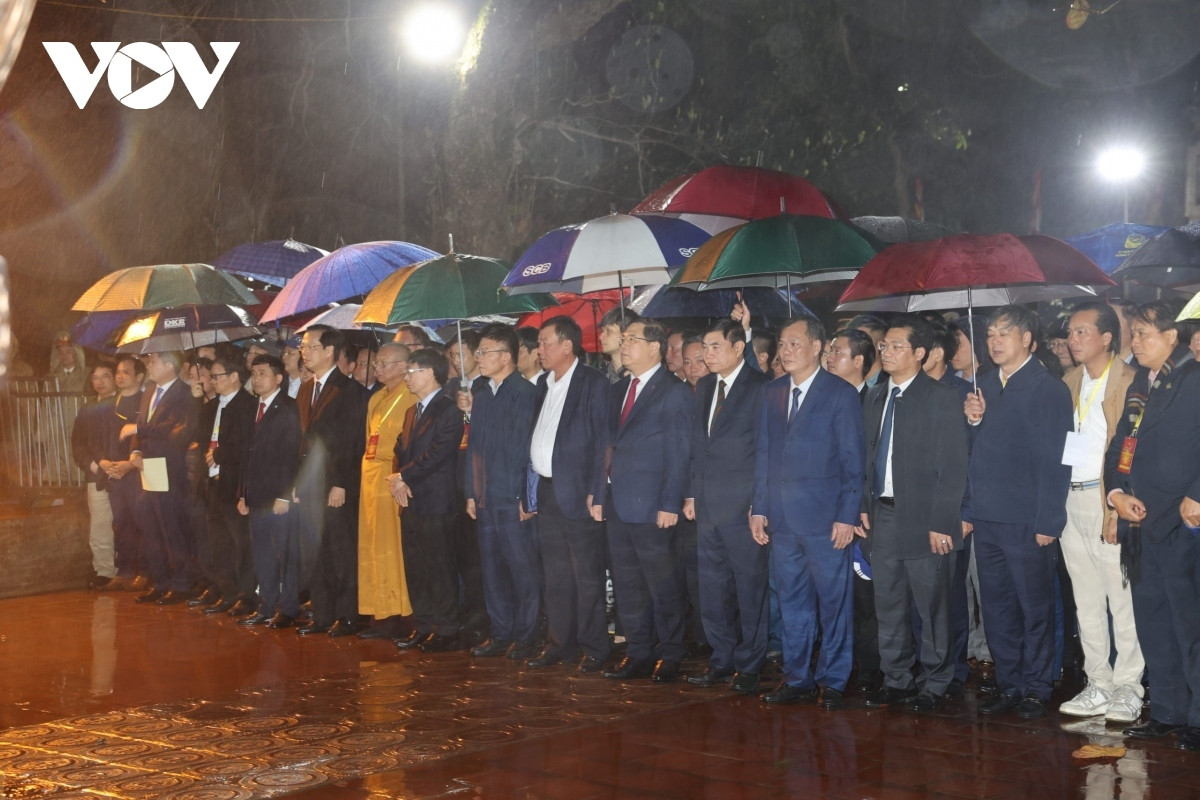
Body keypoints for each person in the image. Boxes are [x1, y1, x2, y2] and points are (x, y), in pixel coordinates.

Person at [964, 305, 1073, 719]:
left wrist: (1049, 520)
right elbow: (972, 455)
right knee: (996, 608)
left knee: (1035, 608)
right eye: (991, 334)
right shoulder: (983, 385)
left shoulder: (1048, 389)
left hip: (1028, 519)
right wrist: (973, 421)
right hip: (988, 516)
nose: (994, 341)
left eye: (1004, 333)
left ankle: (1036, 687)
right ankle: (1009, 684)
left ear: (1027, 339)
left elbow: (1058, 460)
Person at [751, 315, 865, 709]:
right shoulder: (772, 391)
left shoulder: (839, 393)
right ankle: (797, 677)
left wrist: (847, 515)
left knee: (834, 603)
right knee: (792, 603)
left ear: (817, 347)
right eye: (782, 344)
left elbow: (853, 461)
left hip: (826, 519)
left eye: (794, 343)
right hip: (782, 520)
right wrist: (759, 507)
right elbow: (764, 453)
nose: (786, 351)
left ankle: (833, 679)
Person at [1104, 300, 1200, 750]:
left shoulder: (1195, 378)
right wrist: (1116, 494)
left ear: (1171, 337)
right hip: (1140, 523)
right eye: (1134, 333)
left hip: (1182, 520)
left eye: (1144, 333)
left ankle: (1197, 717)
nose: (1135, 341)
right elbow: (1120, 445)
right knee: (1153, 622)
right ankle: (1167, 710)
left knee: (1190, 625)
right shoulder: (1141, 383)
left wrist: (1197, 492)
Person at [860, 315, 968, 712]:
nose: (886, 352)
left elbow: (953, 467)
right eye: (884, 346)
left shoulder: (941, 398)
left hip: (926, 519)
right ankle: (897, 678)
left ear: (919, 353)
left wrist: (942, 523)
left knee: (932, 603)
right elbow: (866, 457)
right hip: (883, 513)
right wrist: (863, 506)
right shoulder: (875, 396)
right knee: (888, 601)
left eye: (896, 346)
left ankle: (936, 681)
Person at [593, 318, 693, 682]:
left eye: (632, 339)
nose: (624, 344)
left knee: (662, 585)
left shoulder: (673, 390)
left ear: (655, 347)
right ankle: (638, 652)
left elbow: (680, 453)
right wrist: (599, 493)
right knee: (628, 583)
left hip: (654, 506)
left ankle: (671, 655)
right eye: (623, 339)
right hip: (618, 502)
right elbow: (606, 446)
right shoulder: (619, 389)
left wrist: (670, 502)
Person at [1057, 302, 1143, 723]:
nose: (1072, 340)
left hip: (1106, 497)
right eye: (1070, 332)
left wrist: (1115, 505)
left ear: (1107, 337)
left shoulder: (1129, 380)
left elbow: (1131, 449)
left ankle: (1129, 686)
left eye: (1082, 332)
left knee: (1120, 597)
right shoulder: (1069, 380)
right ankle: (1098, 683)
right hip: (1070, 498)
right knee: (1085, 597)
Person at [683, 320, 769, 694]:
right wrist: (691, 493)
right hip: (707, 505)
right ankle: (722, 659)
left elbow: (766, 451)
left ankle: (750, 664)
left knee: (749, 591)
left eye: (715, 346)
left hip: (744, 509)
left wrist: (759, 504)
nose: (707, 354)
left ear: (738, 347)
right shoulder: (705, 386)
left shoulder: (761, 387)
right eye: (704, 346)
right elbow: (697, 445)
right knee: (713, 588)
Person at [525, 317, 611, 672]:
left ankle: (595, 647)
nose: (539, 350)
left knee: (586, 574)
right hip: (547, 492)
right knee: (556, 575)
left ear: (567, 345)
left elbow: (603, 442)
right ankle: (561, 644)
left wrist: (596, 491)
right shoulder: (543, 384)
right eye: (538, 343)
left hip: (579, 492)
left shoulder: (593, 382)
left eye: (545, 342)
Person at [464, 324, 542, 660]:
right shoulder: (481, 394)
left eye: (485, 352)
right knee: (492, 569)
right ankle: (500, 632)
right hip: (485, 496)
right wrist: (471, 491)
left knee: (522, 569)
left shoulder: (525, 393)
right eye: (478, 352)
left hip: (513, 497)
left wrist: (526, 496)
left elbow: (527, 450)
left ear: (506, 357)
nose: (479, 358)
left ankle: (526, 635)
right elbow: (474, 448)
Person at [389, 348, 466, 652]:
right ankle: (423, 625)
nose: (406, 377)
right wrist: (399, 479)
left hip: (436, 502)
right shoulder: (412, 411)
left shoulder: (449, 410)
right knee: (416, 567)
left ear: (430, 372)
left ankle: (446, 629)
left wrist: (404, 476)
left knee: (439, 567)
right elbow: (400, 448)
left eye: (411, 371)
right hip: (410, 501)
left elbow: (439, 453)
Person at [295, 325, 369, 636]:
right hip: (309, 484)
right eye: (302, 347)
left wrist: (342, 484)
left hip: (336, 484)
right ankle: (322, 613)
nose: (304, 352)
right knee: (315, 551)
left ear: (329, 351)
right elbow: (302, 441)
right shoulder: (305, 389)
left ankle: (348, 615)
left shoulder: (350, 391)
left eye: (310, 346)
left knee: (341, 551)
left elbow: (351, 442)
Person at [824, 328, 880, 693]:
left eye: (838, 352)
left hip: (861, 516)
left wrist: (858, 506)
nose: (830, 358)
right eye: (829, 351)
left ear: (859, 361)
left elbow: (867, 462)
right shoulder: (822, 398)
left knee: (865, 599)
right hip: (825, 515)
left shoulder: (874, 401)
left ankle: (870, 669)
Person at [122, 350, 200, 604]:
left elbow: (173, 428)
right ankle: (160, 581)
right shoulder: (149, 391)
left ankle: (181, 583)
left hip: (169, 466)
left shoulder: (184, 393)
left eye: (153, 361)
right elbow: (140, 423)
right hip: (148, 466)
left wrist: (139, 428)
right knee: (150, 525)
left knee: (172, 526)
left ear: (169, 365)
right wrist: (135, 449)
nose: (149, 365)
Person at [355, 343, 417, 639]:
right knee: (371, 545)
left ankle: (400, 613)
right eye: (376, 364)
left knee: (392, 546)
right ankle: (378, 611)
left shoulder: (411, 395)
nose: (377, 369)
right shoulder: (377, 397)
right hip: (370, 477)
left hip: (393, 475)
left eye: (383, 363)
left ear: (404, 366)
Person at [237, 354, 302, 628]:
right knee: (262, 553)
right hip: (256, 495)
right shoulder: (252, 407)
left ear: (278, 377)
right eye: (254, 373)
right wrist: (243, 493)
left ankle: (288, 608)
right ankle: (266, 605)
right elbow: (245, 455)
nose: (257, 378)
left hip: (278, 496)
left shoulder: (288, 407)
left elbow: (291, 453)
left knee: (284, 553)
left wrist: (284, 494)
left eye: (263, 373)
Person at [195, 356, 257, 616]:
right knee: (219, 542)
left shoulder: (249, 405)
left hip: (235, 484)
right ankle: (226, 591)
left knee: (241, 543)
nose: (212, 381)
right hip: (212, 482)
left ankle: (246, 596)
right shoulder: (211, 407)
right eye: (211, 376)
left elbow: (247, 446)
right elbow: (201, 440)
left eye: (217, 376)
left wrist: (220, 454)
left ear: (234, 377)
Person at [98, 355, 147, 591]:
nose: (119, 376)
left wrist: (130, 463)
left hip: (137, 471)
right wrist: (104, 462)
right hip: (115, 473)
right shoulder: (109, 403)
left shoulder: (146, 402)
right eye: (118, 371)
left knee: (143, 522)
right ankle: (125, 571)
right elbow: (99, 437)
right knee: (121, 523)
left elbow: (146, 437)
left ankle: (145, 572)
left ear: (140, 376)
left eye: (126, 372)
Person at [72, 361, 117, 588]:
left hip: (122, 473)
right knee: (100, 524)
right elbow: (78, 443)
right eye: (95, 377)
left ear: (115, 378)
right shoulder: (87, 409)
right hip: (96, 474)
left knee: (126, 523)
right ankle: (104, 570)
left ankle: (129, 568)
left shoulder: (124, 403)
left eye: (105, 376)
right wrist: (91, 465)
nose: (100, 382)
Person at [598, 307, 639, 382]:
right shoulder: (599, 377)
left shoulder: (638, 377)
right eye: (602, 331)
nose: (601, 337)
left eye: (608, 331)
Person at [849, 314, 888, 386]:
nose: (853, 347)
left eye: (862, 341)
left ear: (881, 346)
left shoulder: (890, 386)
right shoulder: (842, 382)